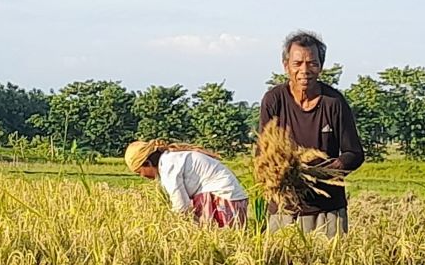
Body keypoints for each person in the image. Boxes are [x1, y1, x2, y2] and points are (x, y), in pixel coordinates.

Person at [259, 31, 364, 236]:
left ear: (321, 67)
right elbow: (263, 153)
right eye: (297, 63)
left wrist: (329, 169)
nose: (304, 70)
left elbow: (354, 153)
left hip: (327, 210)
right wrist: (281, 172)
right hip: (284, 210)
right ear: (286, 66)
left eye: (312, 63)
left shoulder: (334, 102)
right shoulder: (274, 100)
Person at [124, 140, 249, 228]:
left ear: (148, 163)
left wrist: (168, 226)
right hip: (232, 197)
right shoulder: (171, 159)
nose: (142, 176)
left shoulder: (168, 167)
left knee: (220, 242)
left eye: (139, 172)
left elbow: (181, 206)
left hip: (223, 197)